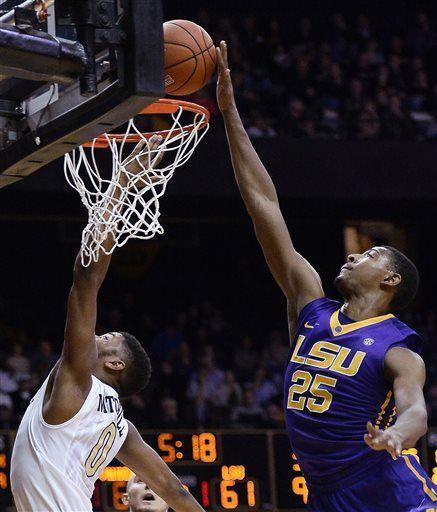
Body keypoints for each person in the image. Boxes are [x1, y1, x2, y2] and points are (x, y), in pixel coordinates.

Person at [215, 41, 437, 511]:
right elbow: (265, 207)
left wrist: (396, 434)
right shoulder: (310, 305)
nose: (355, 256)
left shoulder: (398, 346)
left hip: (389, 490)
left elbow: (416, 407)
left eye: (372, 254)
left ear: (391, 281)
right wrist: (230, 115)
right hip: (324, 495)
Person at [10, 136, 205, 512]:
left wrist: (123, 183)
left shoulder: (77, 384)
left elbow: (86, 279)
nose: (97, 334)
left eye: (108, 338)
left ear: (115, 364)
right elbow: (175, 493)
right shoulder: (121, 429)